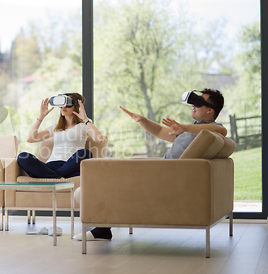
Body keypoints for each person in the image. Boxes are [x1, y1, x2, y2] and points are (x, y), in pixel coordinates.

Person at [74, 88, 226, 241]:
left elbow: (221, 130)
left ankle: (101, 227)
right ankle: (102, 226)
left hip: (162, 176)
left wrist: (185, 128)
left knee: (92, 187)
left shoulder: (208, 131)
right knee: (88, 189)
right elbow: (160, 131)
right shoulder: (194, 131)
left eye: (199, 103)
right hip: (160, 172)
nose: (194, 105)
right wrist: (142, 120)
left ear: (209, 110)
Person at [17, 93, 105, 179]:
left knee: (85, 153)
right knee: (22, 157)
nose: (63, 107)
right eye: (62, 104)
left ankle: (48, 176)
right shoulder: (55, 127)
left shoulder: (84, 125)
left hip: (70, 166)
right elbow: (31, 139)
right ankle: (58, 177)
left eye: (67, 104)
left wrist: (85, 119)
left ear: (76, 106)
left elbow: (99, 139)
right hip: (50, 166)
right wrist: (41, 116)